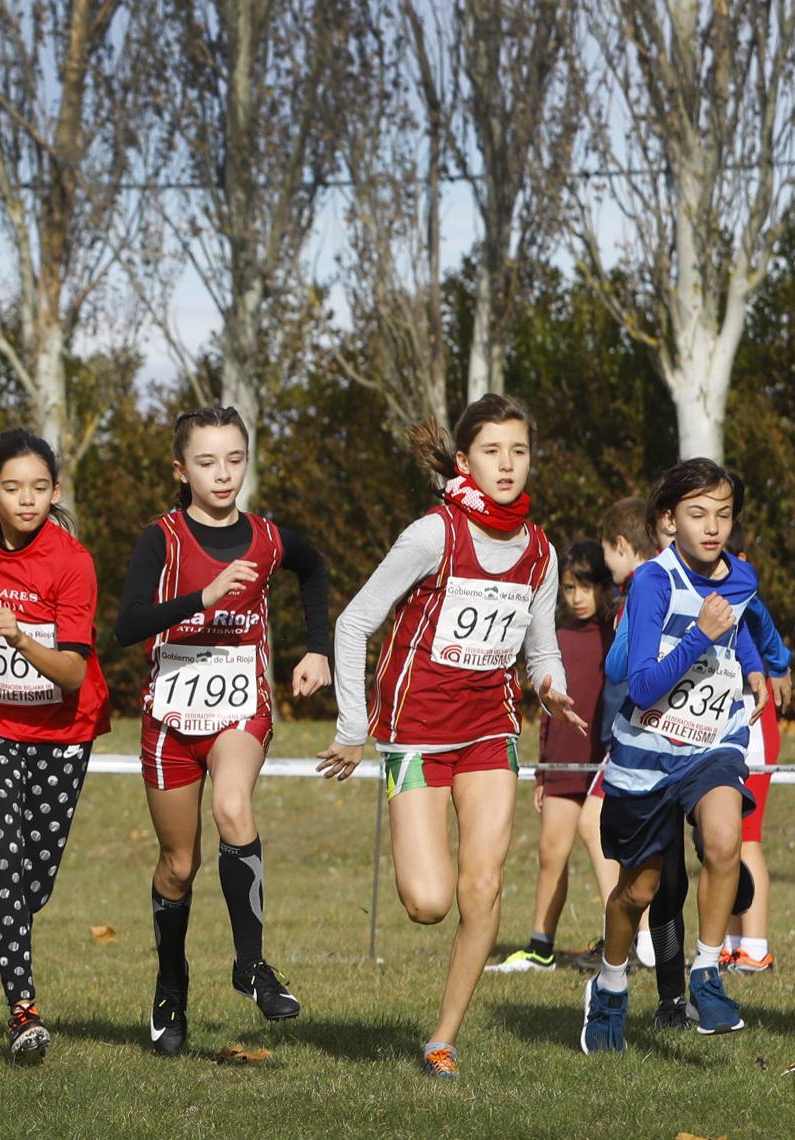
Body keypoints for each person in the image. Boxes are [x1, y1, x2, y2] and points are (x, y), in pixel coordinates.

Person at [318, 395, 578, 1078]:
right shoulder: (434, 535)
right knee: (427, 903)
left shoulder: (540, 552)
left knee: (483, 886)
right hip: (415, 736)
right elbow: (352, 624)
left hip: (490, 732)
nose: (506, 464)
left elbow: (540, 651)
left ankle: (442, 1040)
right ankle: (438, 1024)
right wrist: (351, 728)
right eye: (491, 451)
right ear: (463, 461)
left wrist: (551, 687)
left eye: (518, 451)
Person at [110, 407, 332, 1059]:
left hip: (240, 708)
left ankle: (251, 966)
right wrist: (200, 600)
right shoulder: (162, 540)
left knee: (234, 805)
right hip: (169, 718)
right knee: (178, 866)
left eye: (234, 458)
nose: (222, 473)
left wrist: (314, 648)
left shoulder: (266, 537)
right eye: (206, 462)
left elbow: (313, 568)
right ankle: (170, 983)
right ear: (180, 470)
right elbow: (124, 626)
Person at [579, 459, 764, 1054]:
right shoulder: (653, 584)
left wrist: (764, 669)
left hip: (713, 743)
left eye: (724, 514)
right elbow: (640, 685)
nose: (713, 527)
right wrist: (701, 636)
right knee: (639, 892)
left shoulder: (740, 577)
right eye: (697, 514)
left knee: (722, 841)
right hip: (647, 754)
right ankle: (609, 986)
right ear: (668, 521)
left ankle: (706, 973)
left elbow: (755, 624)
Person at [0, 429, 107, 1066]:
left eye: (39, 488)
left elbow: (71, 674)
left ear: (56, 491)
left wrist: (17, 639)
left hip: (63, 733)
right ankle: (24, 1014)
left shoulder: (72, 561)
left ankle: (11, 923)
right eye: (12, 488)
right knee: (2, 858)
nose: (26, 500)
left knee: (30, 887)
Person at [490, 539, 609, 974]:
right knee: (550, 851)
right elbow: (543, 713)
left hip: (603, 765)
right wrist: (542, 771)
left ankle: (621, 945)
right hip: (560, 764)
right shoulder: (553, 639)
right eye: (568, 588)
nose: (576, 597)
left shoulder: (617, 636)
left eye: (585, 587)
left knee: (606, 852)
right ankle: (541, 947)